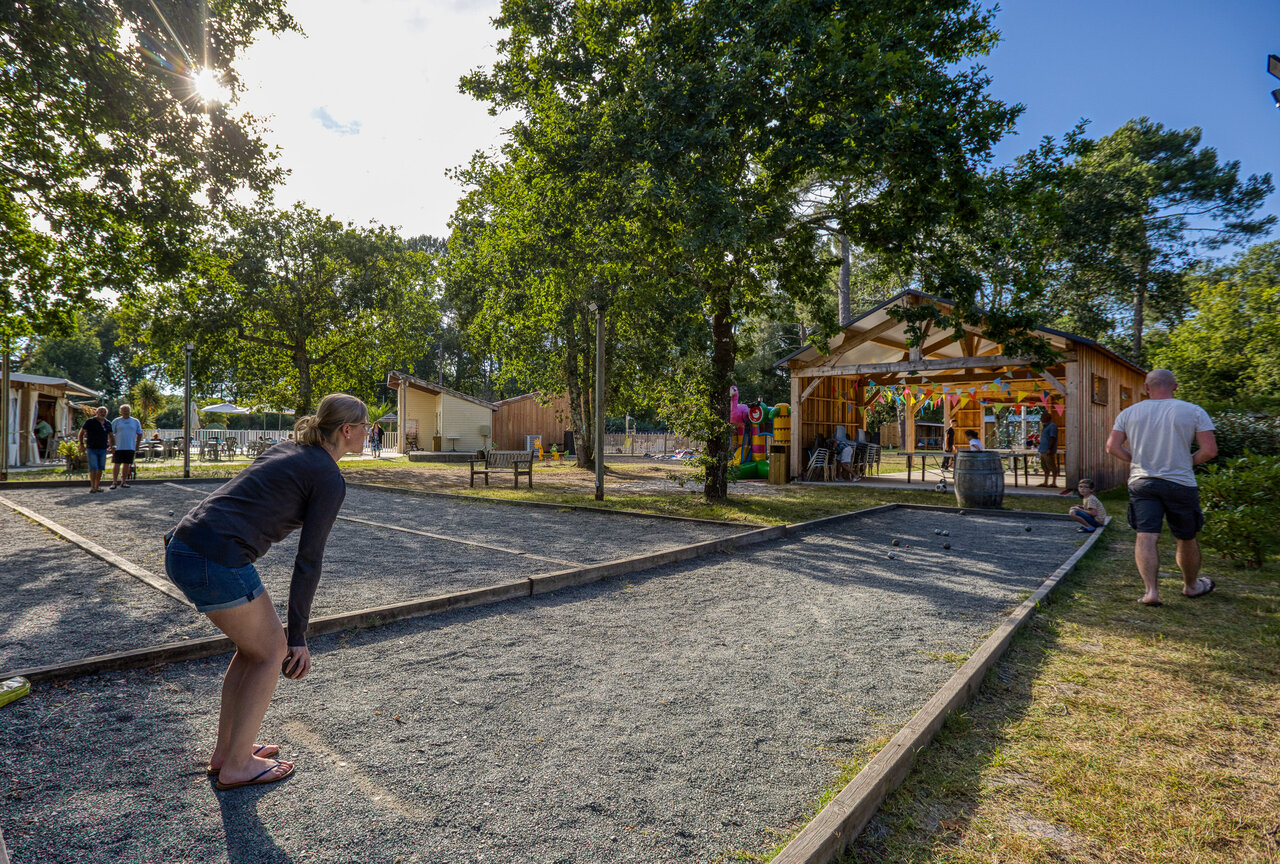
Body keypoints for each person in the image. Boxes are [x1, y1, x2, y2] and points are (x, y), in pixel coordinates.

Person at [164, 393, 369, 790]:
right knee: (273, 650)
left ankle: (228, 752)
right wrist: (297, 637)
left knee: (253, 650)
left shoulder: (290, 449)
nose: (369, 433)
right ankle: (238, 764)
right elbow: (309, 560)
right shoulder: (327, 476)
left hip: (185, 546)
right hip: (214, 557)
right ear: (347, 430)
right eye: (366, 426)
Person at [1106, 369, 1217, 606]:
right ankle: (1191, 586)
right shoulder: (1194, 411)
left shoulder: (1128, 413)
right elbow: (1209, 450)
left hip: (1142, 481)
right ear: (1175, 387)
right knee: (1186, 537)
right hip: (1180, 482)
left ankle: (1151, 592)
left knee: (1145, 536)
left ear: (1146, 387)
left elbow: (1112, 447)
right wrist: (1187, 462)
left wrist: (1135, 460)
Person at [78, 407, 113, 493]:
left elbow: (111, 436)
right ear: (97, 412)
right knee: (93, 468)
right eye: (100, 411)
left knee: (100, 468)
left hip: (103, 448)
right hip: (91, 448)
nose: (102, 413)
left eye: (104, 412)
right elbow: (81, 433)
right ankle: (92, 487)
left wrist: (113, 446)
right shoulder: (90, 421)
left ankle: (97, 486)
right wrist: (81, 444)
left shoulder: (108, 423)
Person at [109, 404, 143, 489]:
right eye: (123, 410)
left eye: (127, 410)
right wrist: (112, 445)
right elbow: (110, 434)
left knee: (126, 464)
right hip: (118, 446)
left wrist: (137, 445)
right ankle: (114, 482)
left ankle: (123, 481)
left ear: (130, 411)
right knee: (117, 464)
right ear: (120, 411)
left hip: (130, 446)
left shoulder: (135, 421)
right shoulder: (116, 421)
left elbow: (139, 433)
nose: (125, 411)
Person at [1037, 410, 1059, 487]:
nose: (1041, 418)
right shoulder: (1044, 426)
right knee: (1044, 466)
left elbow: (1052, 437)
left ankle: (1054, 482)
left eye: (1042, 417)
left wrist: (1049, 448)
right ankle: (1045, 482)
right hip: (1042, 449)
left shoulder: (1052, 426)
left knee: (1051, 465)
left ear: (1047, 417)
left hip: (1048, 449)